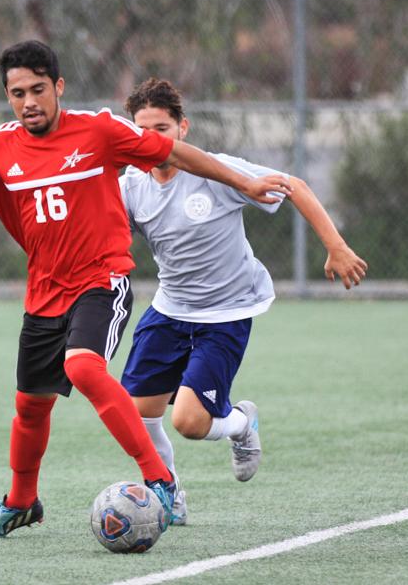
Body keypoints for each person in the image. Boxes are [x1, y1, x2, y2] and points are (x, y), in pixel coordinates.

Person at [0, 42, 294, 538]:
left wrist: (244, 182)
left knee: (82, 365)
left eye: (39, 89)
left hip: (103, 278)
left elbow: (175, 152)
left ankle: (161, 479)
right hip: (44, 291)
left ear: (58, 87)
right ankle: (21, 502)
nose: (29, 102)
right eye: (18, 93)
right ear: (8, 96)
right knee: (31, 403)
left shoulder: (99, 130)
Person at [119, 78, 368, 526]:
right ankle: (169, 492)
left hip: (225, 313)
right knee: (138, 413)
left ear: (183, 129)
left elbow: (295, 187)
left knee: (190, 423)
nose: (151, 138)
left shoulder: (217, 171)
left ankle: (240, 424)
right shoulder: (131, 186)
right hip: (170, 308)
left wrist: (337, 247)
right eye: (142, 129)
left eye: (162, 127)